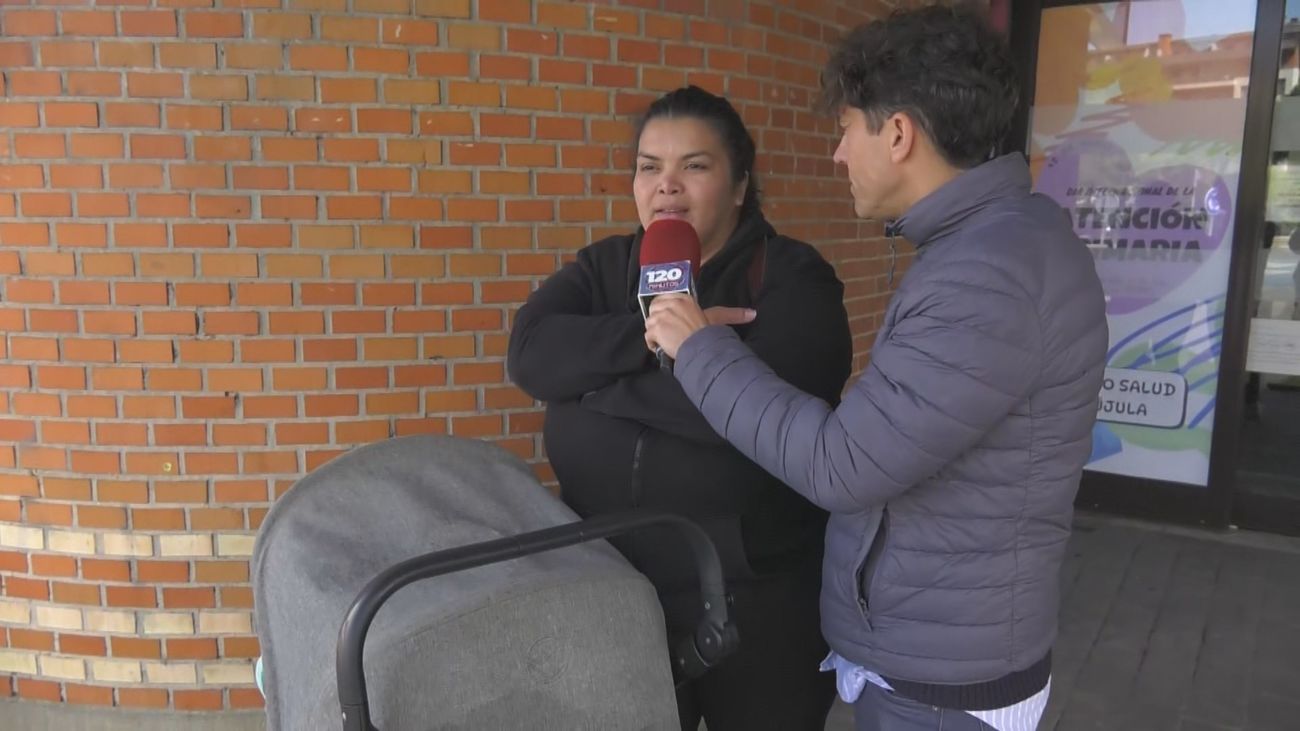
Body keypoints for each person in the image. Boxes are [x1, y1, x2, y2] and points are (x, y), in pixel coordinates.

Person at [644, 7, 1109, 731]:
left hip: (939, 685)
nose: (835, 155)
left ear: (897, 134)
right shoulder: (997, 242)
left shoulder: (986, 275)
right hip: (939, 651)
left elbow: (846, 462)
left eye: (844, 129)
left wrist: (699, 349)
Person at [506, 85, 851, 730]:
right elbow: (529, 356)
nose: (666, 186)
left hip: (756, 599)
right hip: (612, 584)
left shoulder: (794, 279)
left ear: (741, 184)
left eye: (694, 165)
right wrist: (658, 339)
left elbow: (757, 419)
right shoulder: (605, 267)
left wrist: (591, 388)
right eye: (648, 167)